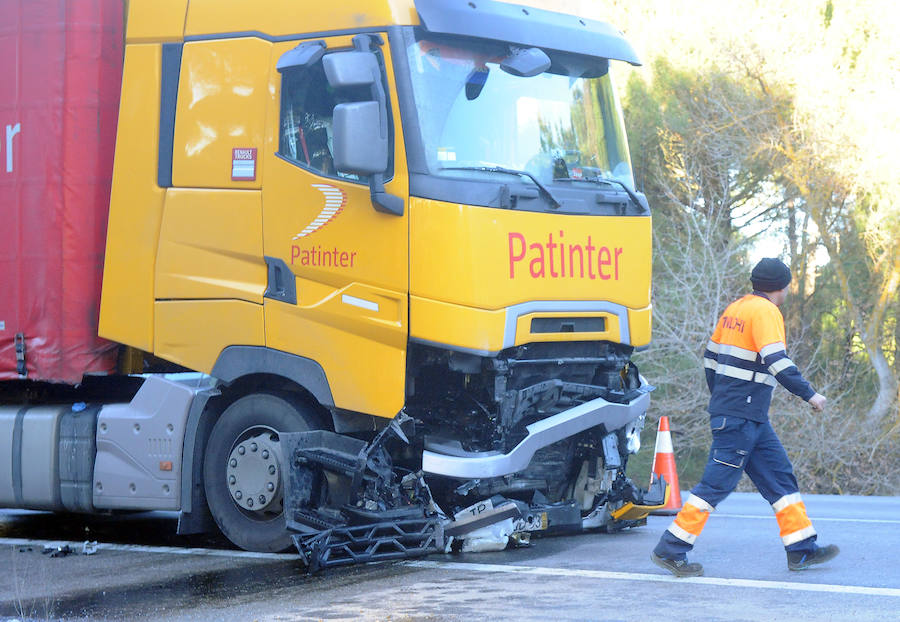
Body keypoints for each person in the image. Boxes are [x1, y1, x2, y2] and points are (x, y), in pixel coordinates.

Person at [650, 258, 839, 577]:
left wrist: (723, 399)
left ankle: (802, 549)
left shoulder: (735, 309)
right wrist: (811, 395)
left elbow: (710, 361)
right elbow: (778, 362)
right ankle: (671, 548)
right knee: (716, 485)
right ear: (783, 287)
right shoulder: (766, 312)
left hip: (746, 416)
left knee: (780, 477)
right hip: (740, 416)